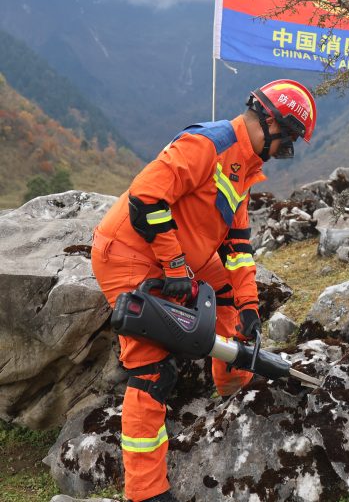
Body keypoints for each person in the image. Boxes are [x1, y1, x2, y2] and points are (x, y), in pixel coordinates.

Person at [91, 80, 316, 502]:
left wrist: (248, 306)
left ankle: (234, 380)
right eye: (286, 140)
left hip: (179, 258)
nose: (285, 151)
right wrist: (175, 264)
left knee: (228, 288)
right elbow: (145, 198)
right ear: (269, 122)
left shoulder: (245, 165)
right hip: (130, 254)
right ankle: (146, 491)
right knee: (153, 371)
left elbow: (238, 248)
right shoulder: (206, 145)